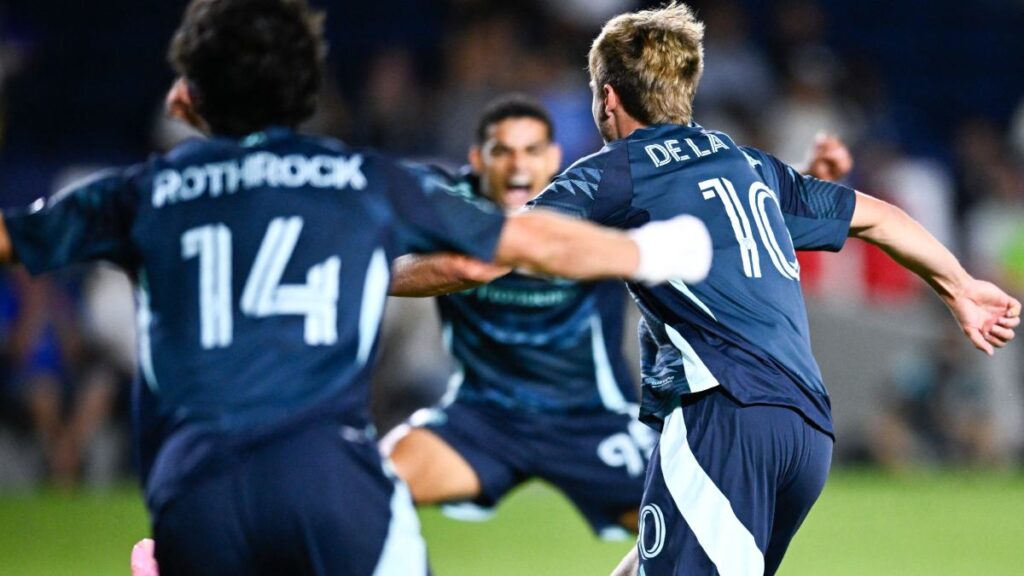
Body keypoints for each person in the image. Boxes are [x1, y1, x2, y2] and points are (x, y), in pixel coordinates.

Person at [0, 1, 716, 574]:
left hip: (194, 487)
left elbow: (15, 237)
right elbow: (505, 246)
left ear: (187, 97)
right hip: (329, 477)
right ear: (309, 88)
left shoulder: (145, 191)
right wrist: (648, 249)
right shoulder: (360, 179)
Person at [521, 4, 1019, 575]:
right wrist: (959, 288)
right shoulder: (747, 164)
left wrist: (394, 269)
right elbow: (878, 217)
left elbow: (495, 245)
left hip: (725, 411)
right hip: (805, 431)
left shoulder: (619, 170)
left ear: (608, 98)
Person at [383, 94, 854, 540]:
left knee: (690, 529)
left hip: (594, 421)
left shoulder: (590, 203)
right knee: (368, 491)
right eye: (501, 151)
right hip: (484, 418)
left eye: (532, 150)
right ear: (478, 159)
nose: (518, 165)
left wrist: (800, 177)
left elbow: (713, 204)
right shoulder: (451, 211)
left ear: (553, 158)